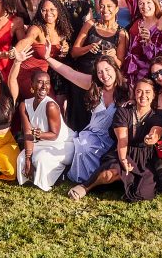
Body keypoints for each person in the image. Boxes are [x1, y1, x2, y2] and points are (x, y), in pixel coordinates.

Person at [68, 78, 162, 202]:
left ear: (153, 95)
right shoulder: (123, 112)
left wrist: (152, 138)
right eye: (139, 91)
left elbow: (156, 131)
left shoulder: (156, 117)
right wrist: (123, 159)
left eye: (147, 92)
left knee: (142, 194)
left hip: (144, 159)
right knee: (109, 174)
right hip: (122, 151)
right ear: (134, 94)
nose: (143, 96)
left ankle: (123, 182)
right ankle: (85, 186)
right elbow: (122, 138)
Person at [45, 53, 126, 186]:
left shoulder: (127, 90)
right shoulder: (93, 85)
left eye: (107, 70)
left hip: (114, 138)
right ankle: (87, 180)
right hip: (92, 135)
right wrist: (47, 58)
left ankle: (98, 180)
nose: (104, 75)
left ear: (115, 69)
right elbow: (69, 73)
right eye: (100, 72)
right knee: (84, 145)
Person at [9, 64, 73, 191]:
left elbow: (54, 135)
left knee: (40, 160)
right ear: (32, 85)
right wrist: (28, 158)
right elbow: (27, 133)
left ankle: (62, 173)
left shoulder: (51, 106)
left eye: (47, 83)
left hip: (61, 144)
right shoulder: (24, 105)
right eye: (39, 82)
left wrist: (39, 135)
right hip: (40, 142)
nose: (44, 86)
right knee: (21, 159)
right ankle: (33, 176)